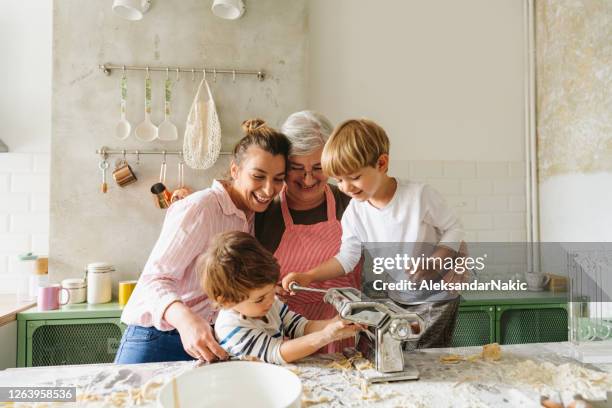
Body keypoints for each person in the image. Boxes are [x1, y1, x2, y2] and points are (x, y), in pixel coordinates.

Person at [115, 119, 291, 364]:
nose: (269, 189)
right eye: (258, 176)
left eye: (278, 179)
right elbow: (153, 279)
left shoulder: (253, 215)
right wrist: (186, 320)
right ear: (235, 170)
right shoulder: (200, 208)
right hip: (158, 337)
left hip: (209, 341)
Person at [282, 118, 468, 348]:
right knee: (399, 353)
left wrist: (437, 261)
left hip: (436, 297)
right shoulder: (355, 211)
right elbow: (346, 258)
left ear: (381, 163)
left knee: (425, 357)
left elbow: (454, 228)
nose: (346, 187)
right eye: (339, 179)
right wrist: (308, 276)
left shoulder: (419, 196)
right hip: (397, 296)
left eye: (354, 177)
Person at [255, 111, 360, 353]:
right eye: (297, 168)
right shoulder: (263, 212)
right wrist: (264, 287)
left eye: (318, 167)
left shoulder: (352, 202)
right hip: (283, 337)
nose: (308, 178)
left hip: (343, 332)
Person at [201, 231, 362, 364]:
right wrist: (326, 335)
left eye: (272, 291)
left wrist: (337, 323)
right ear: (226, 301)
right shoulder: (231, 327)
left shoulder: (269, 304)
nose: (271, 300)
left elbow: (301, 327)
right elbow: (276, 352)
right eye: (260, 299)